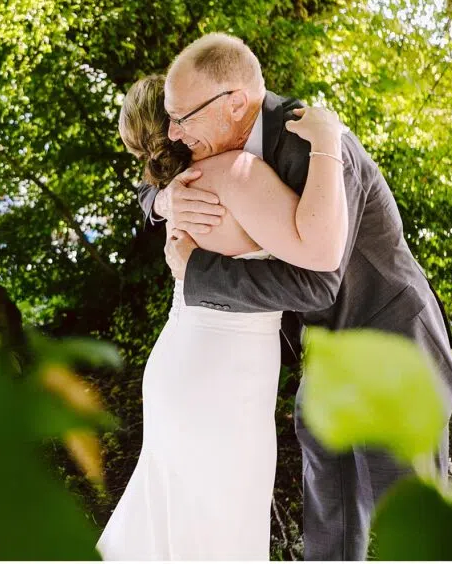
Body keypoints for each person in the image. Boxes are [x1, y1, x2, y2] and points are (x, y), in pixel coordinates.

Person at [141, 32, 452, 560]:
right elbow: (156, 172)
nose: (174, 133)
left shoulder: (317, 145)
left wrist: (198, 273)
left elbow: (318, 282)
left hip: (395, 351)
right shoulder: (217, 140)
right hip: (328, 358)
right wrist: (164, 200)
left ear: (234, 104)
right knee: (330, 522)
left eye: (183, 118)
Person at [96, 74, 348, 561]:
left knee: (174, 520)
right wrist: (328, 143)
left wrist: (160, 198)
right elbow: (319, 258)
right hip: (222, 378)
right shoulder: (237, 172)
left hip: (185, 362)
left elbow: (152, 197)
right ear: (175, 125)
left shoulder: (178, 186)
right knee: (220, 528)